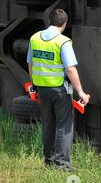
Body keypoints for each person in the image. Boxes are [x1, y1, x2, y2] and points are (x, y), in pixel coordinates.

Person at [27, 9, 90, 172]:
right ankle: (62, 165)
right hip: (60, 90)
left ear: (49, 20)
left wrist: (34, 84)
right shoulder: (63, 41)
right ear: (64, 24)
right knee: (64, 125)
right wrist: (81, 92)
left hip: (42, 88)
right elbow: (70, 69)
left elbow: (30, 63)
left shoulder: (34, 38)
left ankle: (49, 161)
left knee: (48, 124)